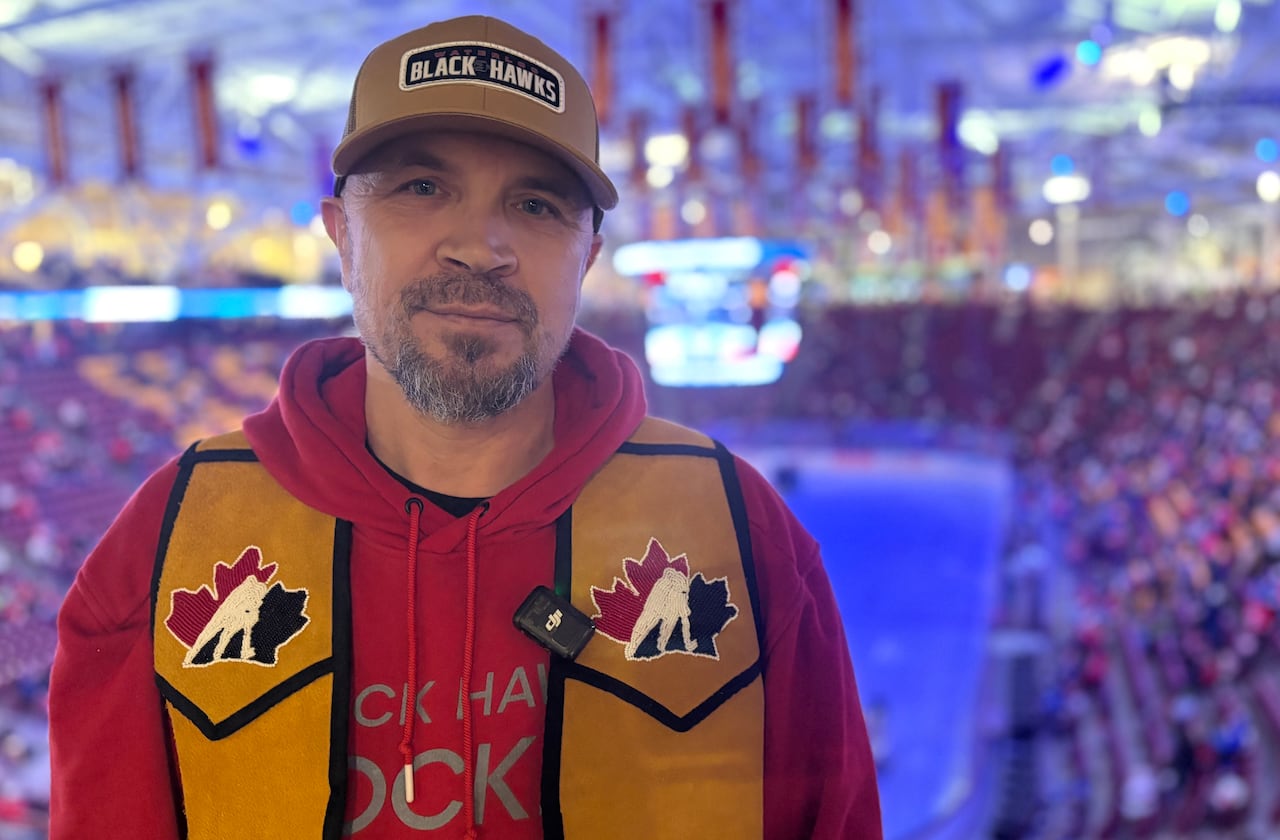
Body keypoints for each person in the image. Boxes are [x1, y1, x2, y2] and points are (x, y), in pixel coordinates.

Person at [48, 14, 881, 840]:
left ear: (587, 258)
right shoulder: (169, 544)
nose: (481, 247)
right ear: (343, 236)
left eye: (536, 203)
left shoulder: (739, 533)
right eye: (422, 188)